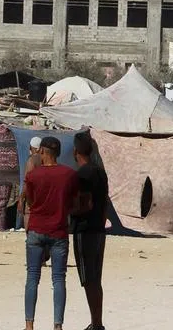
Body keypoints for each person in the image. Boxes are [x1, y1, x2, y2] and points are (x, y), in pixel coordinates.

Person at [24, 136, 79, 330]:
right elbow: (73, 202)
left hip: (36, 229)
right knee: (58, 279)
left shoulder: (33, 175)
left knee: (32, 276)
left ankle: (29, 324)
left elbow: (29, 200)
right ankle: (58, 325)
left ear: (43, 152)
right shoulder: (69, 175)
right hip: (59, 231)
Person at [71, 132, 108, 330]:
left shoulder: (82, 175)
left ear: (75, 151)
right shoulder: (100, 172)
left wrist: (68, 210)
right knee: (96, 278)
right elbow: (104, 206)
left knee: (88, 280)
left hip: (84, 230)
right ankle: (97, 323)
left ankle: (96, 324)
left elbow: (84, 204)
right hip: (99, 230)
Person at [18, 136, 42, 229]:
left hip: (32, 199)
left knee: (30, 226)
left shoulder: (32, 160)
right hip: (43, 197)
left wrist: (21, 199)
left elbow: (27, 181)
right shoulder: (46, 160)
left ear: (34, 148)